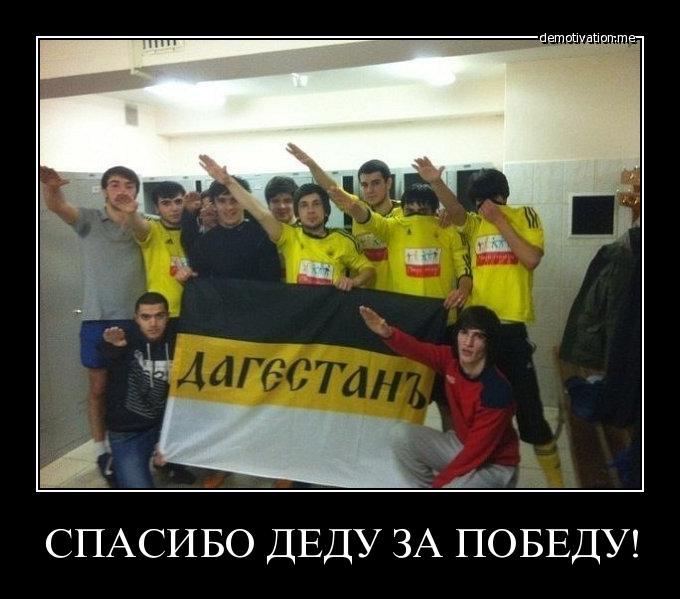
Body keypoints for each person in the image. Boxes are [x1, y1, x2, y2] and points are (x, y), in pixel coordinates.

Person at [413, 158, 563, 487]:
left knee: (532, 419)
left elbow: (531, 259)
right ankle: (477, 475)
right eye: (478, 202)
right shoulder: (474, 224)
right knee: (480, 415)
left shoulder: (524, 215)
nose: (483, 208)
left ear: (501, 196)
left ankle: (557, 484)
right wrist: (436, 183)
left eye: (487, 200)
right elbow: (456, 211)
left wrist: (500, 220)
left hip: (510, 328)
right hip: (477, 330)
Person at [39, 165, 146, 485]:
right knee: (98, 388)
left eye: (128, 185)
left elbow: (143, 234)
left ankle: (139, 445)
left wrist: (132, 214)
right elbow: (57, 206)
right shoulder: (88, 219)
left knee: (136, 387)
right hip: (97, 318)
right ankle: (102, 450)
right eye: (114, 184)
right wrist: (53, 189)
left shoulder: (143, 223)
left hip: (136, 320)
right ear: (104, 191)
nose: (122, 190)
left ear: (136, 191)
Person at [359, 304, 519, 488]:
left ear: (489, 342)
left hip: (494, 465)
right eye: (464, 333)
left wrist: (440, 485)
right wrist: (387, 333)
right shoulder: (451, 360)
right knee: (401, 435)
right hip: (461, 444)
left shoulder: (496, 392)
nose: (468, 342)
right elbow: (417, 349)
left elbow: (474, 454)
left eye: (478, 336)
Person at [198, 154, 375, 292]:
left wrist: (353, 281)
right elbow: (260, 213)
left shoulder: (343, 239)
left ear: (326, 210)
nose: (310, 211)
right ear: (298, 211)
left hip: (330, 314)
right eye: (304, 205)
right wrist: (229, 182)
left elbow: (368, 268)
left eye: (316, 204)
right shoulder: (288, 236)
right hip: (294, 311)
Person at [286, 143, 399, 290]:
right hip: (363, 292)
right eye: (364, 185)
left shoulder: (405, 213)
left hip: (395, 291)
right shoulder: (357, 208)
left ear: (388, 183)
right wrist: (311, 164)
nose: (370, 190)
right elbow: (333, 189)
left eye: (376, 183)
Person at [99, 292, 177, 488]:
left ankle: (170, 464)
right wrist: (115, 347)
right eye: (146, 317)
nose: (153, 323)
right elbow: (109, 352)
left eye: (159, 316)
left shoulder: (178, 335)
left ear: (168, 316)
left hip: (165, 426)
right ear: (136, 318)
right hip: (128, 432)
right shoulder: (124, 337)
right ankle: (115, 461)